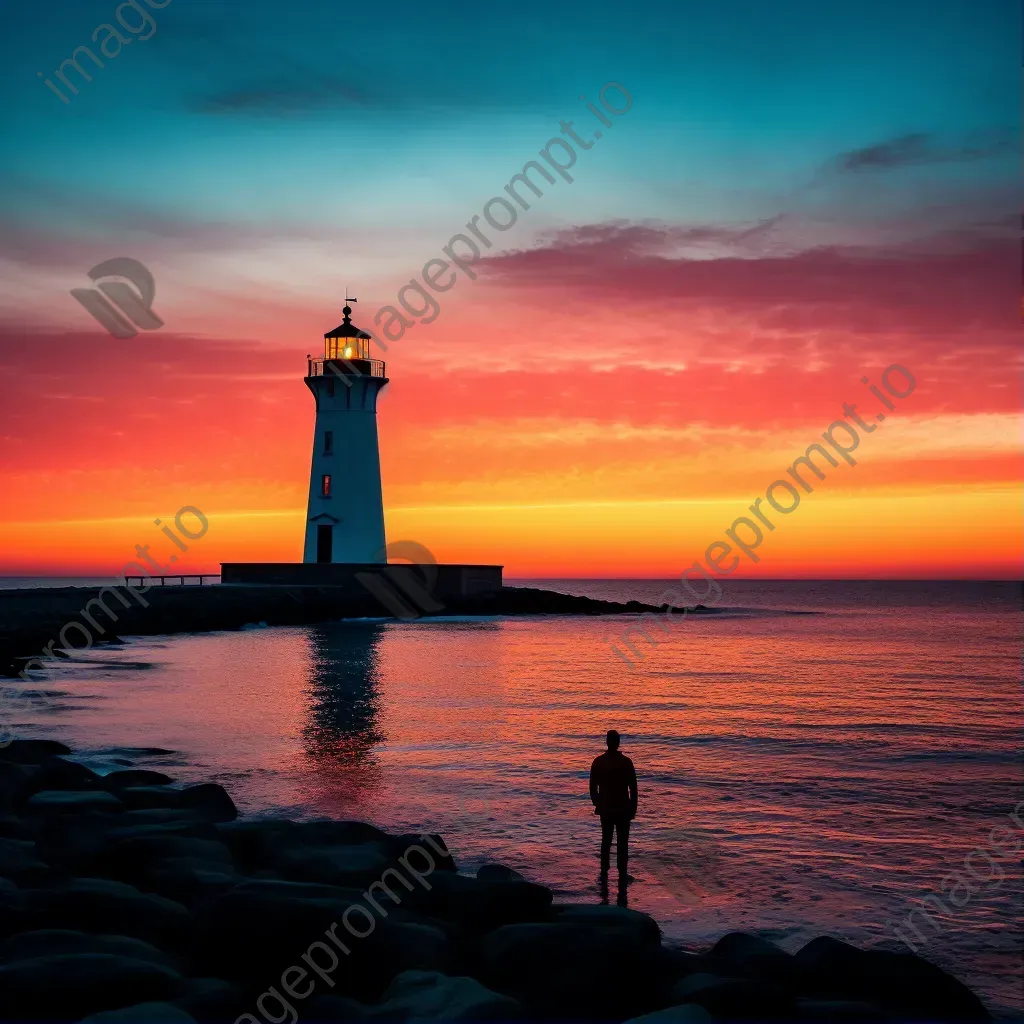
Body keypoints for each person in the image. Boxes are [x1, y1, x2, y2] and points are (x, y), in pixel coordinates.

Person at [589, 729, 638, 876]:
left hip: (608, 808)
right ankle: (621, 873)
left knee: (606, 841)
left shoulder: (599, 762)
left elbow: (592, 788)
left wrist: (597, 803)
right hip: (622, 808)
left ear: (607, 742)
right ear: (618, 743)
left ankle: (604, 872)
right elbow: (633, 788)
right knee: (622, 844)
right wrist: (633, 808)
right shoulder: (625, 762)